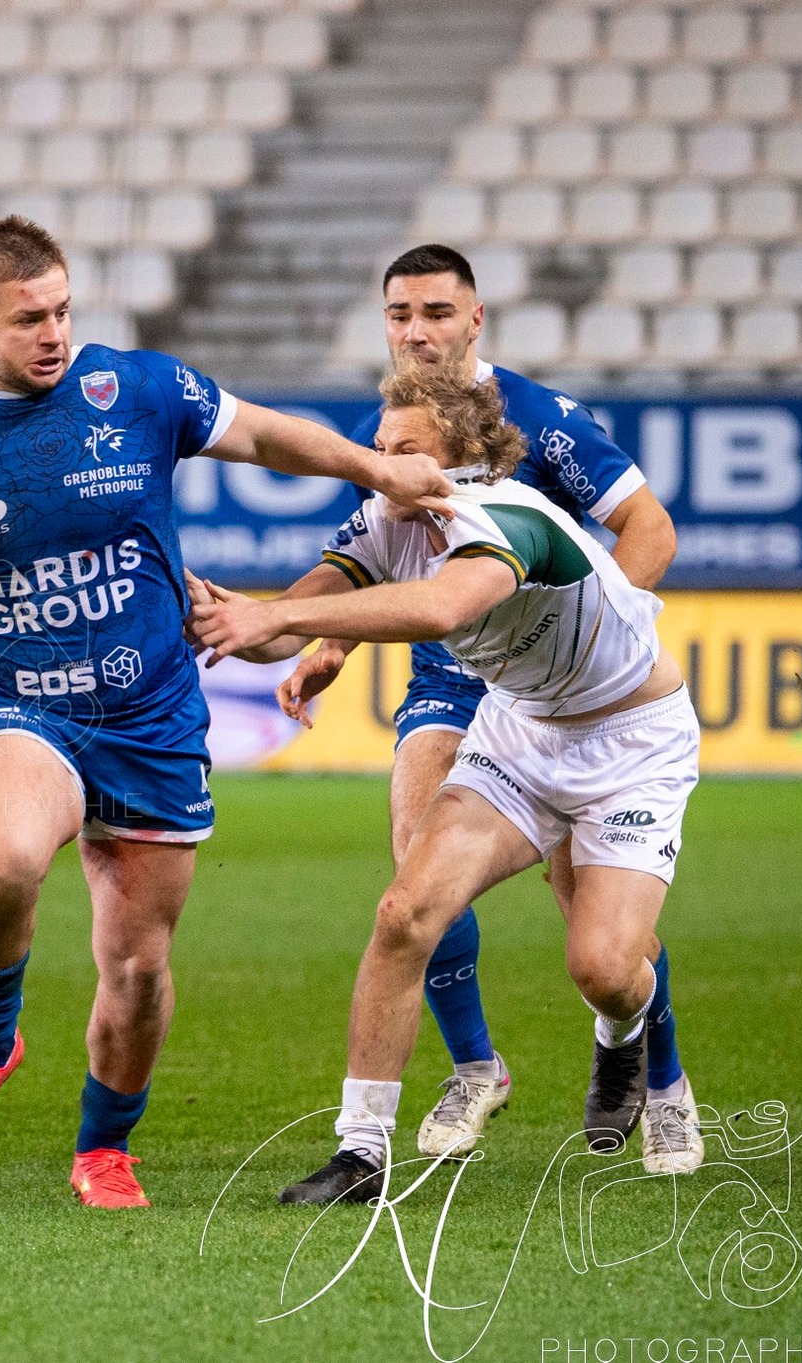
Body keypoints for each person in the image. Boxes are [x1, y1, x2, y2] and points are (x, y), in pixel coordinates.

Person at [0, 216, 455, 1208]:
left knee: (137, 969)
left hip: (150, 713)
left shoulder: (138, 389)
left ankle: (102, 1149)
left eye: (63, 310)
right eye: (28, 319)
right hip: (16, 700)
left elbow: (267, 433)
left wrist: (376, 469)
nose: (54, 333)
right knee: (0, 865)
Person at [187, 364, 703, 1201]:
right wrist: (214, 610)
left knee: (605, 965)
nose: (382, 461)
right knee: (405, 912)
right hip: (521, 729)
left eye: (406, 448)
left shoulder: (508, 514)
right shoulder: (384, 515)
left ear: (462, 457)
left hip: (632, 742)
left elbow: (440, 611)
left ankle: (623, 1031)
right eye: (378, 446)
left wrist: (276, 615)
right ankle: (361, 1153)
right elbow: (282, 625)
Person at [297, 244, 678, 1159]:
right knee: (416, 873)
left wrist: (592, 638)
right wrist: (332, 638)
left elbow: (649, 527)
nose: (416, 330)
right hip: (452, 676)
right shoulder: (393, 432)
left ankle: (658, 1074)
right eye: (399, 314)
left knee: (595, 928)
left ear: (476, 319)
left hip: (570, 691)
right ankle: (475, 1070)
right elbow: (379, 552)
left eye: (436, 311)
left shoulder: (540, 421)